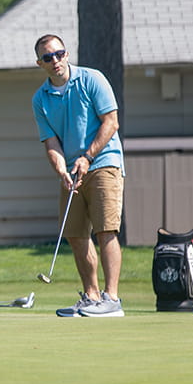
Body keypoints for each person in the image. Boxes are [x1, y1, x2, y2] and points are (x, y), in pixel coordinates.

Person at [31, 34, 125, 318]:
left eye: (59, 54)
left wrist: (88, 156)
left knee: (105, 230)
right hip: (73, 171)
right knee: (74, 234)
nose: (55, 60)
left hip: (104, 162)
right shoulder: (40, 99)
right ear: (40, 63)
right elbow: (51, 143)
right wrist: (61, 170)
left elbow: (111, 122)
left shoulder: (92, 79)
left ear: (67, 54)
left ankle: (112, 299)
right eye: (48, 57)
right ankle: (92, 297)